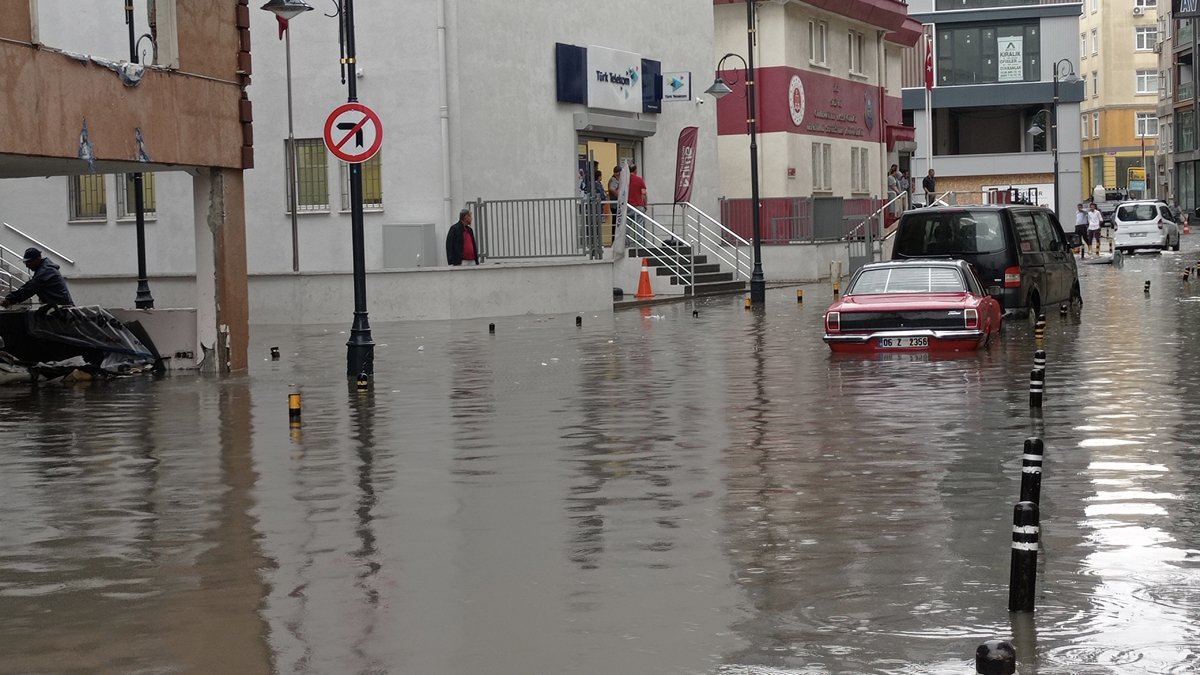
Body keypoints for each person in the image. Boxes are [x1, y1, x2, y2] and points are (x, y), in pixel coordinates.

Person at [1, 247, 74, 308]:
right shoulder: (44, 269)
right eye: (25, 262)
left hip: (62, 310)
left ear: (38, 258)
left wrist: (10, 300)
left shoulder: (45, 271)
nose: (27, 265)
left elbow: (30, 288)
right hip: (59, 307)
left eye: (29, 262)